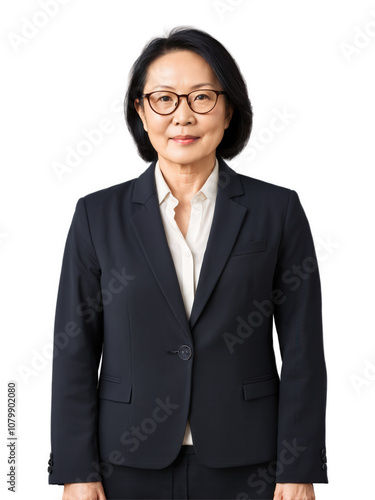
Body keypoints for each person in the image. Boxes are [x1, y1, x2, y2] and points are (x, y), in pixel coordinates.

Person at [48, 26, 328, 500]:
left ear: (228, 108)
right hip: (125, 461)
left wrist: (298, 466)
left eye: (201, 98)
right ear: (140, 110)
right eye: (163, 99)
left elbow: (303, 351)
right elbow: (74, 349)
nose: (182, 116)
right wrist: (76, 469)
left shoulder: (277, 211)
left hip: (249, 461)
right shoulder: (96, 215)